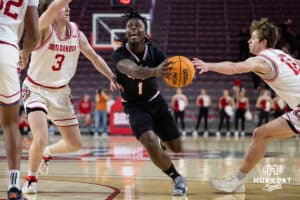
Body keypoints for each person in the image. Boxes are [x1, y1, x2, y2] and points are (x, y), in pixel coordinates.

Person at [21, 0, 119, 194]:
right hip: (36, 89)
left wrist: (111, 76)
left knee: (75, 143)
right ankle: (31, 178)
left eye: (69, 7)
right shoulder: (43, 28)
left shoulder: (77, 34)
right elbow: (53, 8)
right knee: (40, 138)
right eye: (63, 7)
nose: (67, 9)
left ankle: (47, 153)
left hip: (61, 92)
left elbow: (95, 57)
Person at [193, 18, 300, 193]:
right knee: (260, 134)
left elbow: (234, 67)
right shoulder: (282, 55)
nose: (249, 41)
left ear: (263, 42)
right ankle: (237, 181)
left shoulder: (261, 61)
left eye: (253, 38)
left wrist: (209, 66)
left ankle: (236, 182)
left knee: (260, 135)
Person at [112, 9, 187, 196]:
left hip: (156, 102)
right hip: (134, 106)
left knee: (177, 148)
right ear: (126, 33)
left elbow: (170, 68)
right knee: (149, 141)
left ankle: (163, 140)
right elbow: (136, 71)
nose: (134, 28)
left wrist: (178, 72)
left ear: (146, 33)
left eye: (138, 26)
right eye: (130, 26)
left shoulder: (155, 52)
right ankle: (177, 178)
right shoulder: (119, 55)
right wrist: (156, 71)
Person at [0, 0, 39, 199]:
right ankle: (14, 187)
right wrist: (25, 53)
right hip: (7, 50)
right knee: (10, 123)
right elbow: (33, 35)